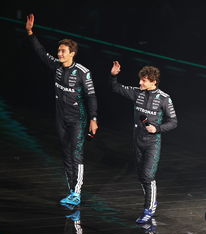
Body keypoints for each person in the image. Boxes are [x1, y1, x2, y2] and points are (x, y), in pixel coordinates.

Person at [25, 14, 98, 205]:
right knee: (66, 154)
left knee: (76, 154)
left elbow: (91, 96)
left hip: (77, 119)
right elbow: (41, 53)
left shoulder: (83, 72)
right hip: (60, 118)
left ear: (72, 53)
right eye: (59, 51)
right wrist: (30, 33)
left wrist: (94, 119)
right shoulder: (56, 66)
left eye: (63, 51)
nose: (60, 54)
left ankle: (78, 192)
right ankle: (71, 191)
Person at [110, 61, 177, 223]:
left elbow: (174, 122)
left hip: (152, 143)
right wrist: (113, 76)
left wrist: (158, 129)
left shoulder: (164, 99)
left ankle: (149, 208)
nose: (140, 82)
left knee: (148, 175)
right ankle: (150, 201)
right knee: (141, 176)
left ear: (153, 82)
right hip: (137, 140)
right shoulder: (137, 92)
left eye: (144, 80)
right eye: (140, 79)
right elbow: (116, 88)